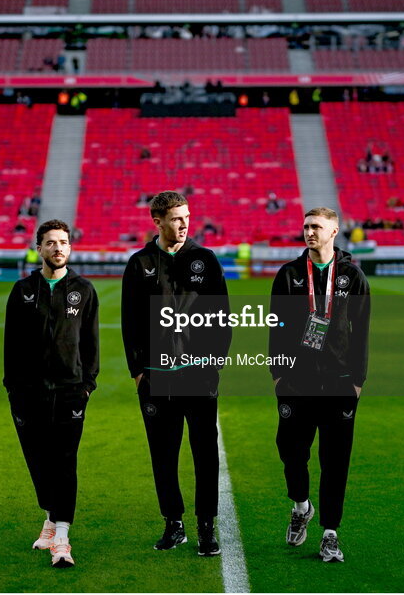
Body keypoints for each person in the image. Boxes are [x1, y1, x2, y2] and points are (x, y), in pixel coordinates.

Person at [120, 191, 231, 557]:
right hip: (155, 378)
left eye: (187, 217)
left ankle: (206, 527)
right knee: (163, 456)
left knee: (205, 455)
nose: (184, 224)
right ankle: (174, 524)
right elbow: (130, 321)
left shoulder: (205, 259)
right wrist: (138, 372)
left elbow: (222, 319)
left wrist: (213, 365)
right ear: (158, 221)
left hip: (199, 376)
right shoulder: (139, 263)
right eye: (176, 218)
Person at [268, 207, 371, 563]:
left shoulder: (353, 278)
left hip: (340, 383)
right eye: (306, 226)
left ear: (334, 232)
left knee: (335, 460)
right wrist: (278, 375)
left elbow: (362, 333)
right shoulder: (289, 275)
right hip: (296, 382)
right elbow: (276, 327)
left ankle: (330, 532)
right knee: (290, 452)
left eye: (317, 227)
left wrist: (358, 381)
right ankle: (301, 506)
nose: (310, 232)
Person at [3, 219, 99, 569]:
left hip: (71, 390)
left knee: (64, 459)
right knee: (38, 461)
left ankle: (61, 535)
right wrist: (12, 387)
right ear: (39, 248)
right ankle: (49, 518)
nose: (58, 248)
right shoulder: (23, 290)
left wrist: (88, 384)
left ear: (70, 248)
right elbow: (11, 343)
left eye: (64, 242)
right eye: (51, 243)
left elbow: (90, 343)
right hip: (27, 393)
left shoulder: (84, 290)